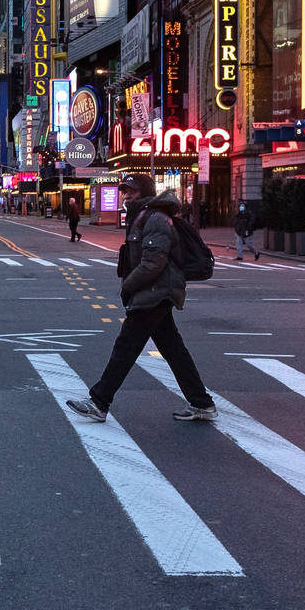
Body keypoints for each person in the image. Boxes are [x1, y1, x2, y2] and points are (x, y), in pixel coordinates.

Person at [66, 174, 216, 424]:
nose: (126, 195)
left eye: (131, 191)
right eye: (124, 190)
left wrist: (129, 287)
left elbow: (153, 262)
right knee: (173, 349)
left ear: (144, 191)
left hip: (155, 292)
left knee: (126, 347)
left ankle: (99, 402)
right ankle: (202, 403)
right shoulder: (142, 216)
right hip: (156, 292)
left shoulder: (155, 218)